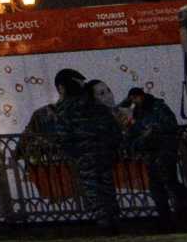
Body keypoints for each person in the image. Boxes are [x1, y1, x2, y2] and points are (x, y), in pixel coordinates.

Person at [30, 67, 126, 233]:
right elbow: (114, 131)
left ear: (62, 88)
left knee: (93, 191)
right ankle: (115, 221)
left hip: (83, 157)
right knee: (107, 188)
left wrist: (73, 154)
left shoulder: (64, 110)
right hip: (104, 154)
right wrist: (111, 150)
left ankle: (105, 225)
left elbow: (62, 137)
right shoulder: (95, 105)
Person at [123, 87, 187, 228]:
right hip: (151, 152)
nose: (133, 102)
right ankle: (166, 216)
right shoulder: (138, 112)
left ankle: (183, 211)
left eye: (134, 99)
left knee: (169, 181)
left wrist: (150, 131)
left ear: (139, 96)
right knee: (158, 185)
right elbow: (134, 131)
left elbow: (168, 126)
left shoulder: (157, 107)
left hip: (163, 150)